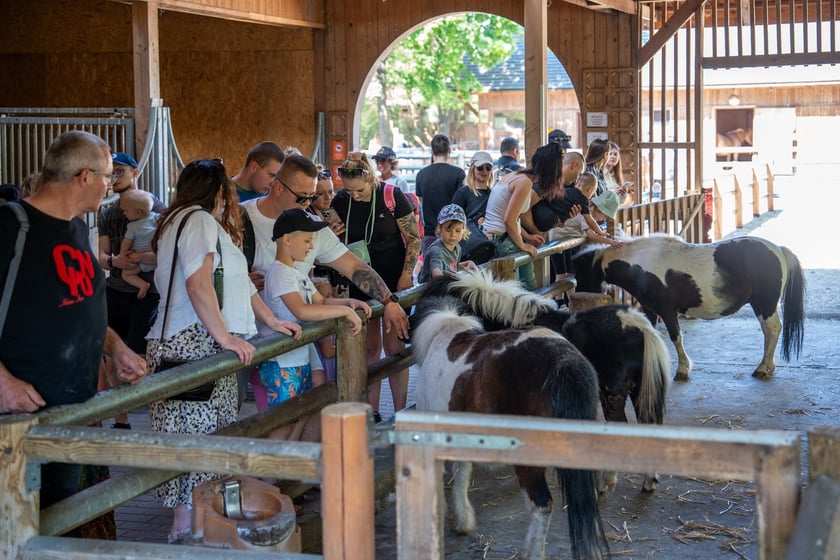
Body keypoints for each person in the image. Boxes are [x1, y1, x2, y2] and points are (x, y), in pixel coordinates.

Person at [145, 158, 301, 544]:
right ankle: (187, 532)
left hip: (200, 338)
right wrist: (225, 338)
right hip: (194, 340)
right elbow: (199, 284)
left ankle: (200, 529)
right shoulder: (197, 220)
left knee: (210, 440)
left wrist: (271, 321)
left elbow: (241, 285)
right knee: (199, 444)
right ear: (217, 192)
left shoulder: (190, 221)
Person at [0, 130, 147, 509]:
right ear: (84, 176)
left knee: (58, 517)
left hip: (73, 409)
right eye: (107, 177)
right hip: (18, 413)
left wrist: (115, 348)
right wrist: (4, 383)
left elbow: (83, 304)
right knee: (17, 524)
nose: (110, 186)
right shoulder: (10, 226)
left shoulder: (78, 227)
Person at [239, 152, 409, 342]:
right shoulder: (239, 218)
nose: (307, 205)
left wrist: (389, 301)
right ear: (278, 188)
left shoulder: (312, 226)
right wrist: (238, 281)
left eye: (312, 198)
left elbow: (354, 267)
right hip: (247, 338)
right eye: (302, 197)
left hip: (297, 342)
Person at [255, 208, 371, 440]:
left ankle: (290, 466)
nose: (311, 246)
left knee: (301, 411)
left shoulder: (297, 272)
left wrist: (349, 303)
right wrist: (344, 312)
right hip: (282, 360)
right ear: (287, 240)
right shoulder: (280, 273)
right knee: (284, 420)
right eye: (307, 240)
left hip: (297, 353)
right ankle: (273, 471)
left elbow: (320, 300)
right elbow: (302, 310)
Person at [332, 151, 420, 421]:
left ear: (370, 178)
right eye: (348, 190)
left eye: (358, 190)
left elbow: (414, 239)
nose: (354, 195)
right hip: (360, 280)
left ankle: (400, 409)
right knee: (369, 349)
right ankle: (373, 412)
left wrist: (406, 275)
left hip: (395, 277)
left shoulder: (392, 196)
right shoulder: (341, 200)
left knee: (394, 347)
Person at [98, 151, 166, 430]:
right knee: (109, 353)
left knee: (142, 351)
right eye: (110, 172)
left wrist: (143, 259)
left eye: (120, 171)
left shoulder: (158, 209)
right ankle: (121, 417)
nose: (114, 178)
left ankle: (156, 411)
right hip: (116, 287)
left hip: (147, 292)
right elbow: (102, 256)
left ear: (135, 173)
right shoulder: (106, 211)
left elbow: (165, 252)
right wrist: (116, 261)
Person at [482, 142, 569, 290]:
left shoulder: (515, 175)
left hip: (499, 237)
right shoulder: (524, 183)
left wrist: (527, 237)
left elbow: (512, 218)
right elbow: (508, 220)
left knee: (526, 290)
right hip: (503, 241)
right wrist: (522, 244)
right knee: (525, 291)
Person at [414, 134, 465, 254]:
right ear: (449, 150)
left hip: (429, 233)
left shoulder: (421, 174)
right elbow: (462, 205)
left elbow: (420, 204)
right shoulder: (458, 174)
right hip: (452, 234)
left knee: (430, 268)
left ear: (432, 151)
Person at [418, 204, 477, 283]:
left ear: (463, 230)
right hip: (432, 290)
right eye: (448, 230)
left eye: (458, 231)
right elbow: (437, 274)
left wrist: (466, 265)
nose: (453, 235)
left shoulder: (457, 247)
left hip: (446, 285)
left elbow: (451, 267)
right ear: (440, 228)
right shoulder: (436, 251)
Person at [117, 189, 158, 299]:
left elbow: (126, 242)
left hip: (138, 261)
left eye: (126, 210)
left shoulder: (132, 227)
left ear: (138, 212)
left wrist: (123, 254)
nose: (124, 213)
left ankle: (142, 285)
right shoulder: (156, 217)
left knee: (126, 274)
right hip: (155, 258)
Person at [604, 140, 634, 205]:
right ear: (605, 155)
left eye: (615, 154)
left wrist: (623, 192)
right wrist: (612, 192)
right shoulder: (599, 174)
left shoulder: (616, 175)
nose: (613, 157)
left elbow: (620, 202)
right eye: (610, 154)